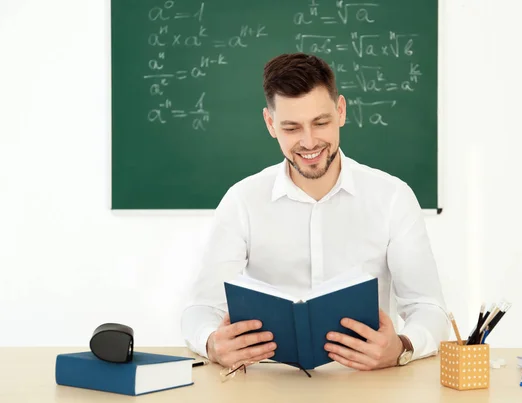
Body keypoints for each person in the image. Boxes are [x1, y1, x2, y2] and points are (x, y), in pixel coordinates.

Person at [181, 52, 449, 371]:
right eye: (292, 127)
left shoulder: (392, 197)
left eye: (320, 123)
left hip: (366, 383)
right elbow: (200, 308)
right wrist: (213, 343)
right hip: (269, 383)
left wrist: (402, 347)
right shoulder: (242, 201)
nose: (309, 142)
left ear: (341, 111)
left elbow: (429, 308)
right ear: (270, 123)